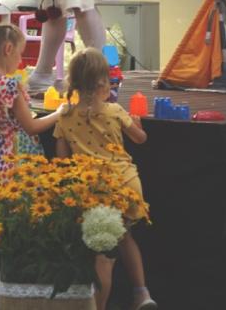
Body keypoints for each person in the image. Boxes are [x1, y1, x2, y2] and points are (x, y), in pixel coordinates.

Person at [54, 48, 155, 310]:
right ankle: (141, 292)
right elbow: (140, 139)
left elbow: (62, 163)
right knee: (125, 237)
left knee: (101, 255)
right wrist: (138, 125)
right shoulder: (115, 110)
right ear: (103, 81)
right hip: (125, 185)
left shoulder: (65, 117)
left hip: (91, 191)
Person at [0, 23, 61, 309]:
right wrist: (60, 112)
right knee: (21, 222)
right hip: (16, 158)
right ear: (8, 49)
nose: (20, 61)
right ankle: (16, 289)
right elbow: (31, 126)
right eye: (20, 54)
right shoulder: (10, 85)